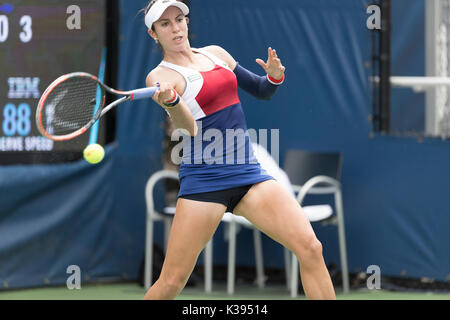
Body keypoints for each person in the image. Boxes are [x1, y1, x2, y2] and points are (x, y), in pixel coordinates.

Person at [142, 0, 336, 300]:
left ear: (187, 22)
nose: (175, 28)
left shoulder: (216, 54)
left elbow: (261, 89)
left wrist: (274, 76)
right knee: (171, 282)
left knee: (311, 248)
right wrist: (170, 102)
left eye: (179, 19)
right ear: (154, 34)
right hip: (204, 183)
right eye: (165, 24)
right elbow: (187, 128)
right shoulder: (160, 77)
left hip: (248, 175)